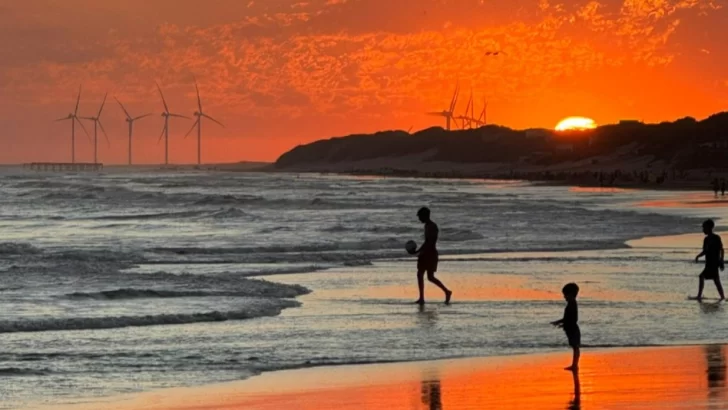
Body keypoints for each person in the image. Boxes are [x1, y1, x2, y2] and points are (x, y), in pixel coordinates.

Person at [414, 207, 452, 305]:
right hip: (428, 253)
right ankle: (422, 297)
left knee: (428, 276)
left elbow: (430, 242)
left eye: (420, 216)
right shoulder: (427, 226)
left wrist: (421, 251)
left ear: (425, 215)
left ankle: (445, 292)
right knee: (423, 275)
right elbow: (426, 241)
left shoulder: (432, 226)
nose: (419, 219)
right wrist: (418, 250)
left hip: (430, 254)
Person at [551, 283, 580, 371]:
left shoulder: (572, 304)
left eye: (565, 295)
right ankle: (574, 365)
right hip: (571, 328)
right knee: (574, 347)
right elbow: (567, 318)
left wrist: (563, 324)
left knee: (575, 347)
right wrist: (559, 322)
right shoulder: (571, 304)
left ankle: (575, 365)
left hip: (573, 329)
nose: (564, 297)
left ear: (571, 294)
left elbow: (573, 319)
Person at [694, 219, 725, 301]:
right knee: (716, 280)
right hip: (708, 263)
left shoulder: (716, 238)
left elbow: (721, 249)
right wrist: (698, 256)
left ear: (709, 228)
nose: (703, 230)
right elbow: (705, 251)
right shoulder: (706, 239)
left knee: (703, 277)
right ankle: (722, 297)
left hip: (714, 262)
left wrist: (721, 260)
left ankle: (699, 296)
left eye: (704, 228)